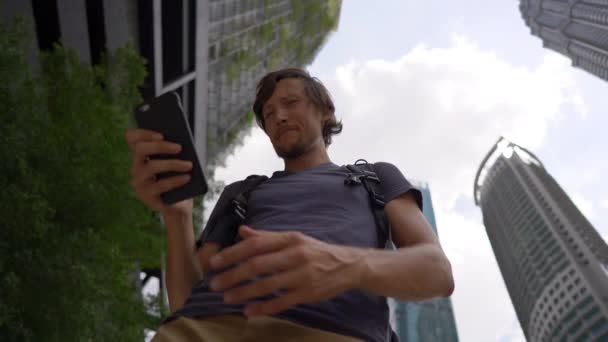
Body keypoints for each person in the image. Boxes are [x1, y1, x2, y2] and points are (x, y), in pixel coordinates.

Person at [126, 68, 454, 342]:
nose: (278, 116)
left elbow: (437, 273)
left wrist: (349, 266)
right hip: (202, 331)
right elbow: (186, 301)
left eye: (291, 103)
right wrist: (177, 217)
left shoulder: (375, 178)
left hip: (332, 331)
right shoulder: (243, 192)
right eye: (268, 113)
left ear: (325, 112)